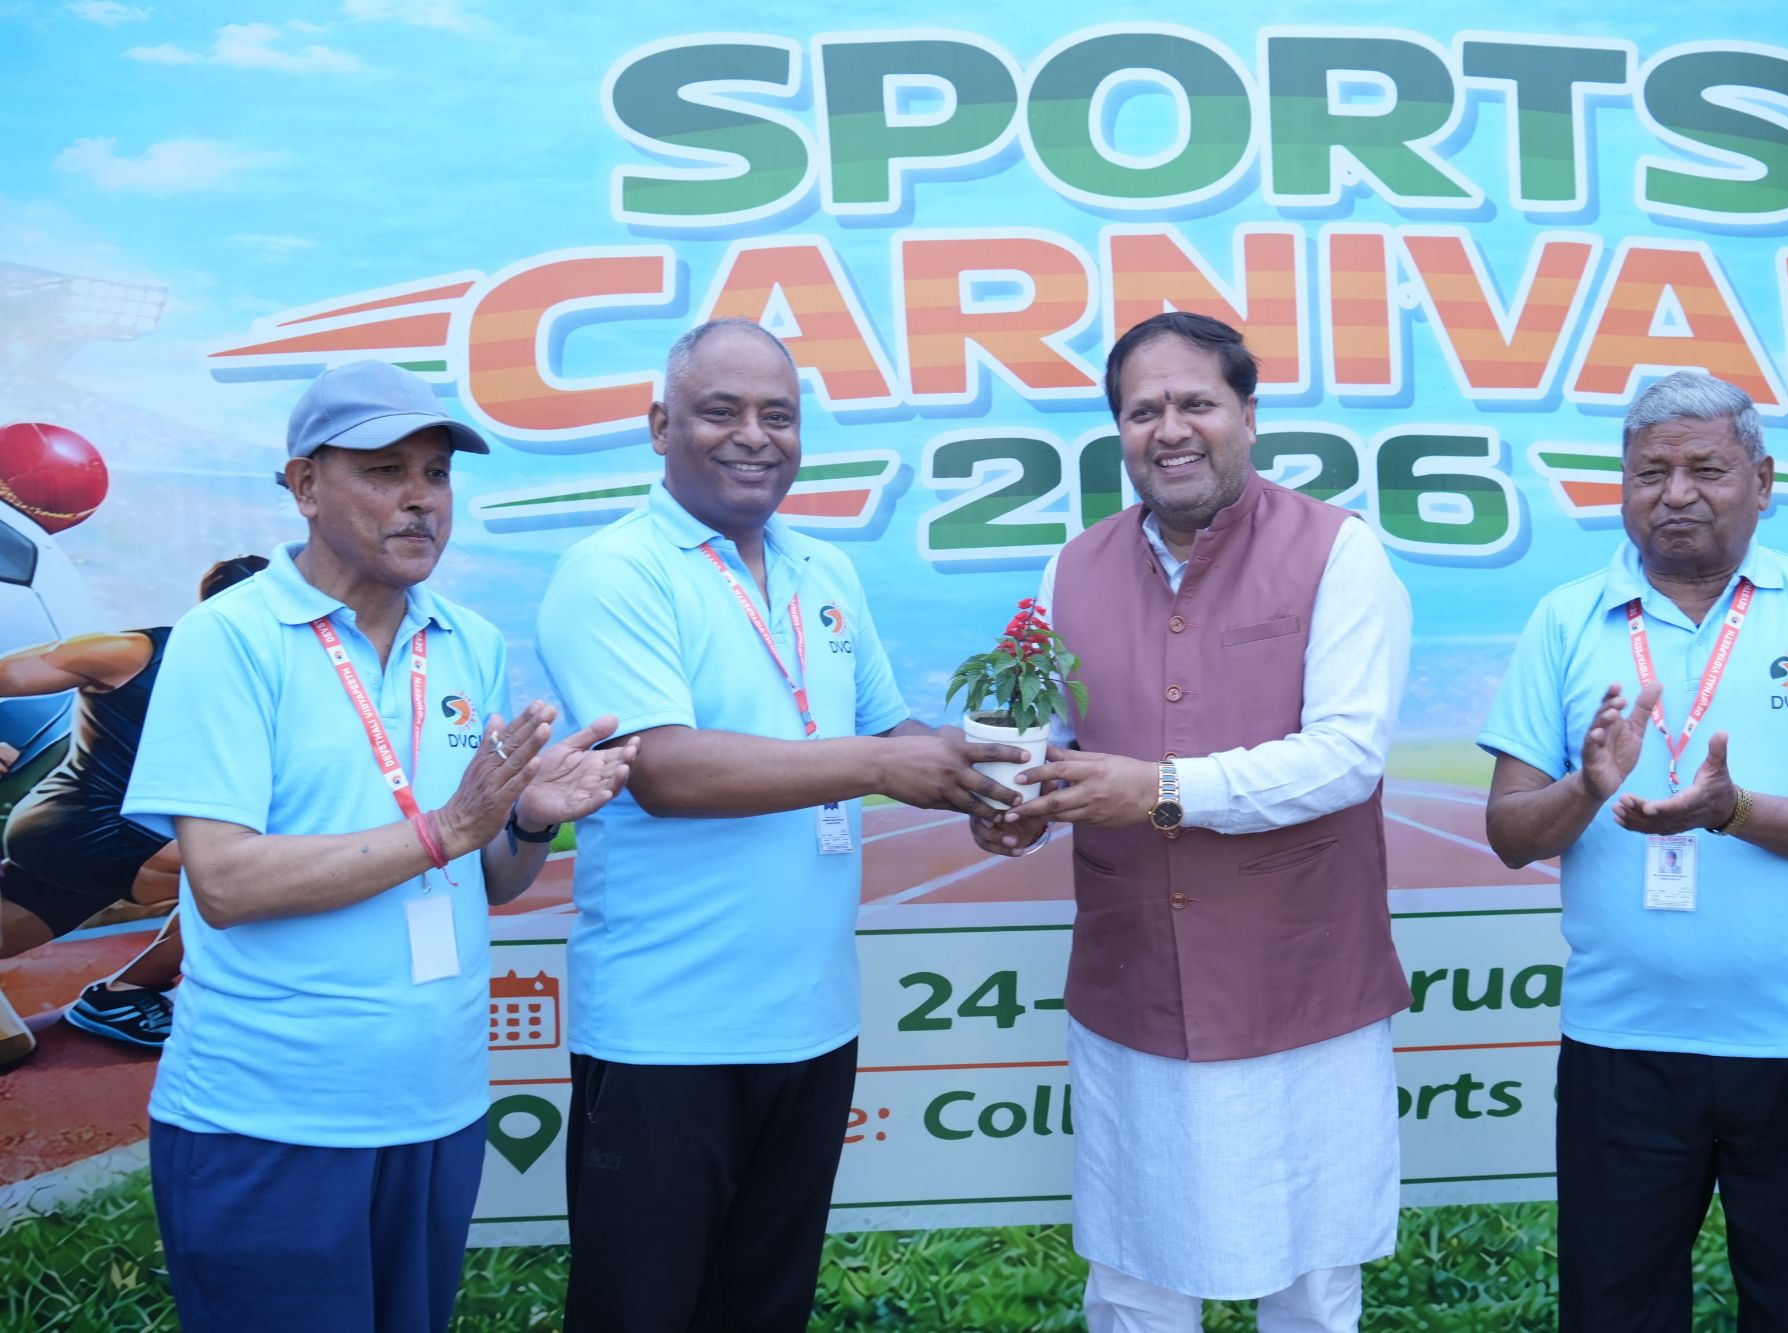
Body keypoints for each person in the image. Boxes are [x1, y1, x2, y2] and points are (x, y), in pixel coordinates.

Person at [122, 360, 638, 1333]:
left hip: (437, 1110)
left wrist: (527, 819)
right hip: (270, 1122)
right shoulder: (229, 638)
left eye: (437, 472)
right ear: (304, 484)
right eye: (385, 469)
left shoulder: (467, 640)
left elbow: (486, 878)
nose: (420, 498)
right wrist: (444, 826)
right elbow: (223, 882)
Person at [535, 317, 1030, 1332]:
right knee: (640, 1311)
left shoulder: (823, 570)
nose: (753, 436)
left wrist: (986, 782)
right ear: (660, 425)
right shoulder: (614, 570)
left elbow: (887, 729)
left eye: (779, 415)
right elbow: (662, 768)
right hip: (666, 1033)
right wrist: (884, 766)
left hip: (811, 1021)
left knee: (765, 1306)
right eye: (721, 411)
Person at [979, 311, 1414, 1333]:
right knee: (1134, 1274)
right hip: (1134, 982)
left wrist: (1162, 789)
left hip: (1300, 980)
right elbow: (1045, 740)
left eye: (1195, 403)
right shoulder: (1069, 571)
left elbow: (1347, 754)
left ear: (1248, 414)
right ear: (1118, 432)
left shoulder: (1340, 553)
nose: (1169, 430)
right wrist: (1013, 807)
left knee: (1310, 1279)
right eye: (1143, 411)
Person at [1479, 370, 1788, 1332]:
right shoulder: (1566, 617)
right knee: (1615, 1314)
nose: (1676, 493)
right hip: (1621, 1048)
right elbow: (1510, 832)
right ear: (1624, 485)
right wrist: (1585, 788)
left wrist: (1733, 809)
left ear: (1762, 480)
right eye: (1651, 472)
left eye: (1706, 469)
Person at [0, 554, 265, 1068]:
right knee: (256, 874)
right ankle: (124, 993)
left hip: (139, 844)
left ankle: (124, 995)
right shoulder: (132, 654)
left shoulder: (275, 684)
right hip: (81, 824)